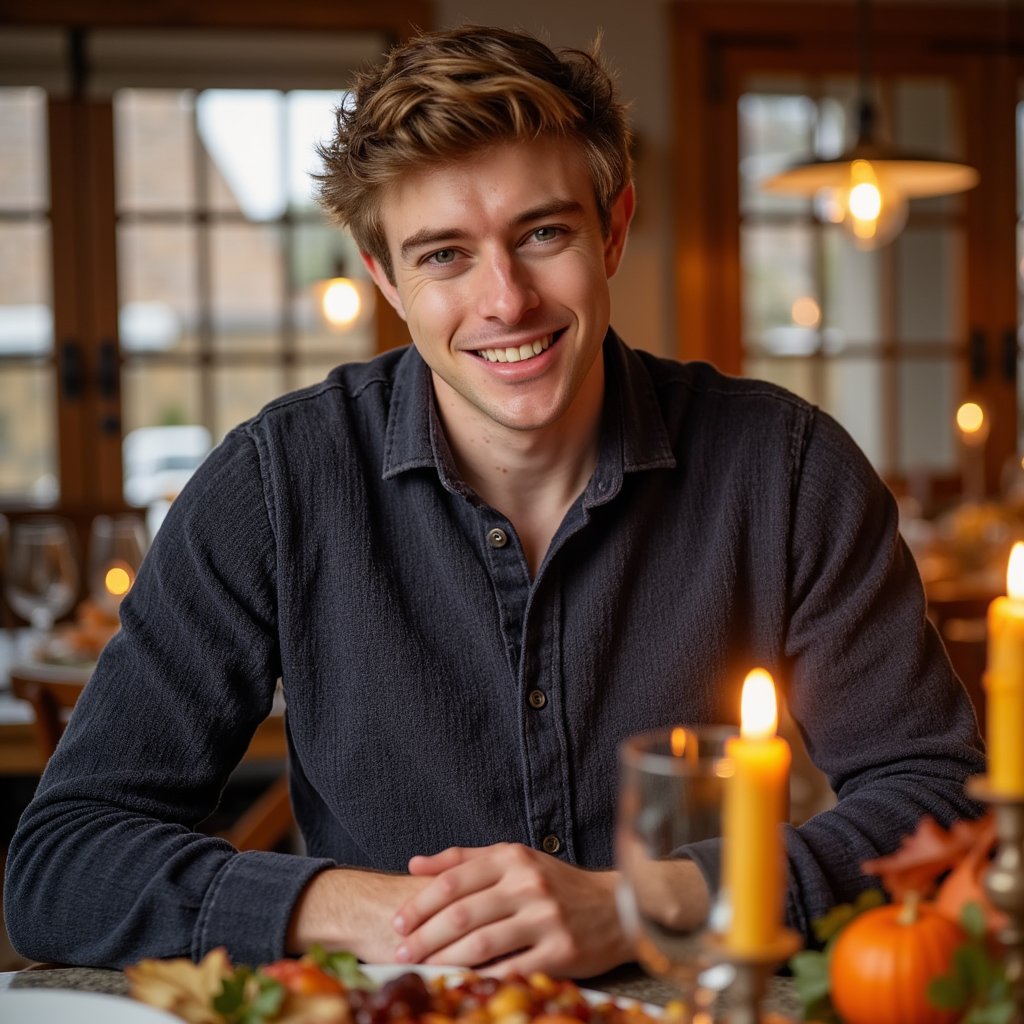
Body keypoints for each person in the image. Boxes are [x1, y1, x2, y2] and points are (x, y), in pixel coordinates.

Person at [6, 24, 983, 978]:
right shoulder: (274, 483)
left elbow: (940, 802)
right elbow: (61, 862)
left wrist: (643, 902)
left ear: (614, 228)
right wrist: (360, 907)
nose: (505, 300)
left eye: (542, 232)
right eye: (443, 255)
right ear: (384, 277)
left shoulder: (787, 469)